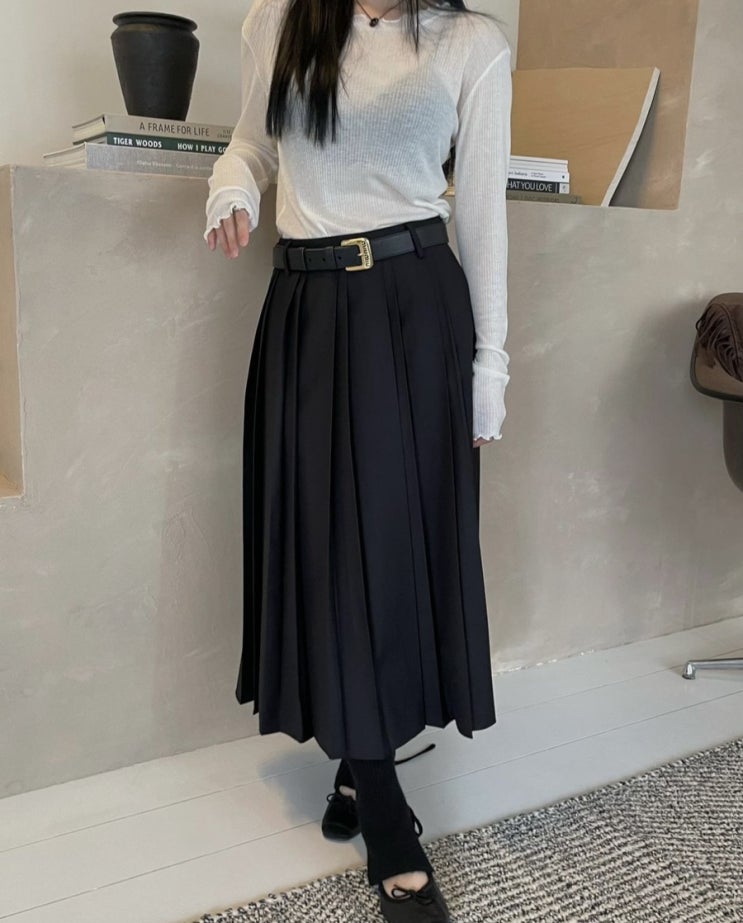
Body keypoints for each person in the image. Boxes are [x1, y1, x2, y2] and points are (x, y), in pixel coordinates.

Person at [203, 0, 512, 919]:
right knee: (324, 546)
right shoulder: (280, 18)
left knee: (387, 548)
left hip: (413, 311)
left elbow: (482, 209)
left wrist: (489, 363)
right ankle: (367, 771)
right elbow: (252, 143)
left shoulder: (469, 42)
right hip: (304, 313)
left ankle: (373, 793)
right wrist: (232, 187)